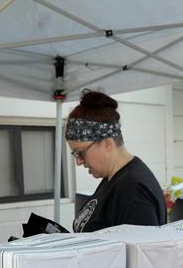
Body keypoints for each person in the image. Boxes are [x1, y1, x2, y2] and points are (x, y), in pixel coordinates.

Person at [68, 89, 166, 231]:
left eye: (81, 153)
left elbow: (141, 251)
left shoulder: (133, 192)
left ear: (107, 143)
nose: (79, 162)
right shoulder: (114, 178)